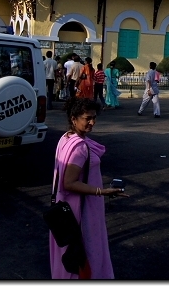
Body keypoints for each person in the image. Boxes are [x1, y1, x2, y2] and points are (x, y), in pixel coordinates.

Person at [49, 98, 127, 279]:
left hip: (66, 207)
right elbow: (69, 182)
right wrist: (102, 191)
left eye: (94, 117)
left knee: (71, 255)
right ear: (74, 118)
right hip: (81, 211)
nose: (92, 122)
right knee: (86, 252)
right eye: (87, 118)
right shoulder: (80, 148)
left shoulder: (66, 138)